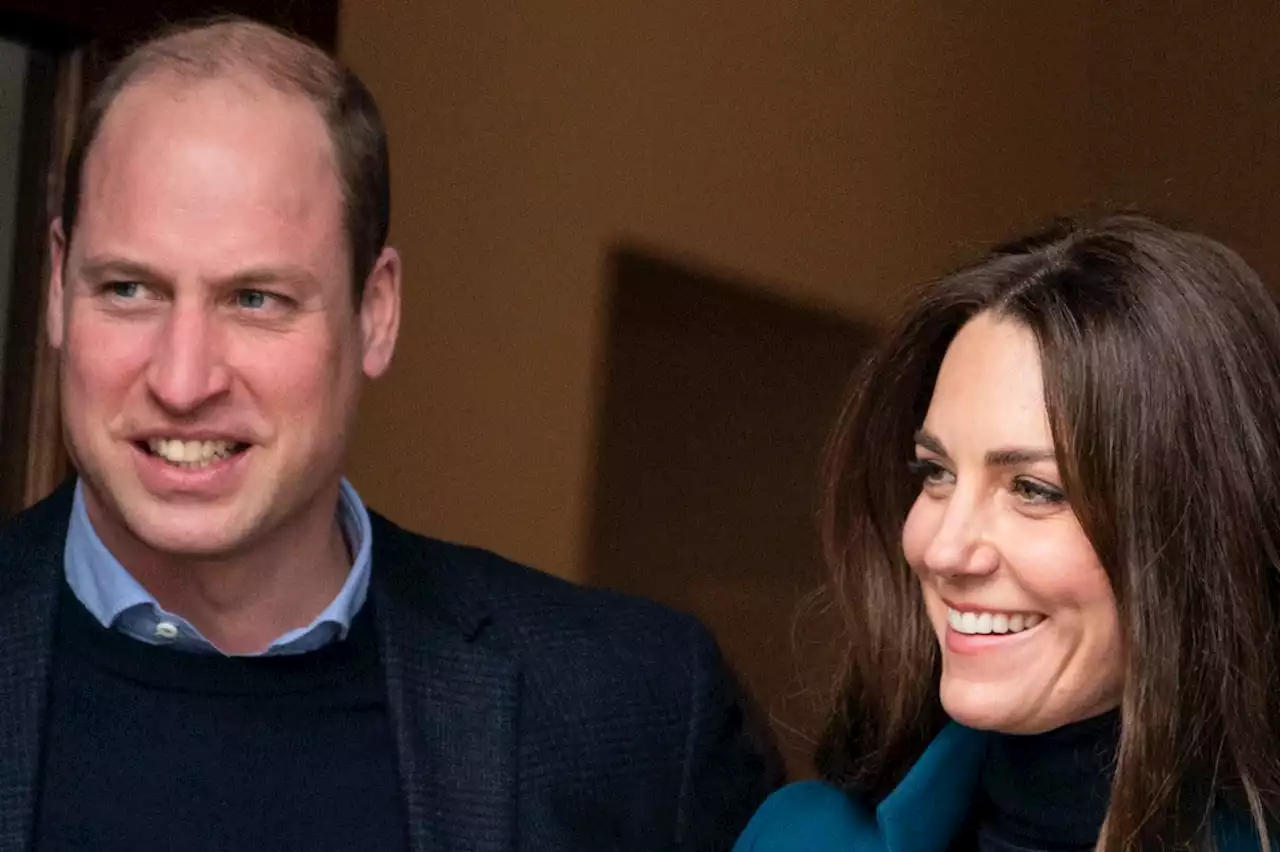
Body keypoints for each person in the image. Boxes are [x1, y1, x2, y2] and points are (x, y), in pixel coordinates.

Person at [0, 17, 779, 851]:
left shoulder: (633, 713)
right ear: (54, 288)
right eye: (128, 289)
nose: (183, 380)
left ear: (376, 314)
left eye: (256, 299)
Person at [735, 215, 1280, 852]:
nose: (943, 550)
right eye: (935, 473)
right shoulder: (800, 838)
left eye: (1033, 489)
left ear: (1199, 529)